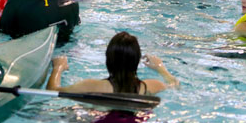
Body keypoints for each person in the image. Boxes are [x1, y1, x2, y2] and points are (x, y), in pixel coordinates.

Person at [47, 31, 178, 95]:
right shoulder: (150, 86)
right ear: (137, 61)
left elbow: (53, 91)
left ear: (108, 59)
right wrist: (160, 68)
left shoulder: (92, 86)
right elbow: (175, 85)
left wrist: (58, 68)